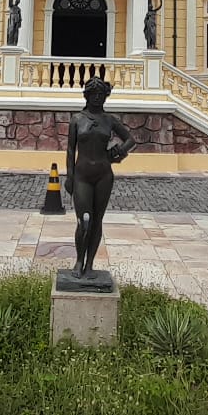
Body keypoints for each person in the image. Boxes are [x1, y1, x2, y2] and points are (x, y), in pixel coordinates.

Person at [64, 77, 136, 278]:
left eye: (101, 95)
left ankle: (90, 265)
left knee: (97, 221)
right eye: (93, 95)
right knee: (84, 220)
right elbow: (71, 150)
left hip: (104, 174)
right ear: (86, 96)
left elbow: (131, 140)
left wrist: (119, 152)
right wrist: (69, 176)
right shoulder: (77, 120)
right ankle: (79, 260)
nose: (97, 99)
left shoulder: (110, 120)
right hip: (82, 176)